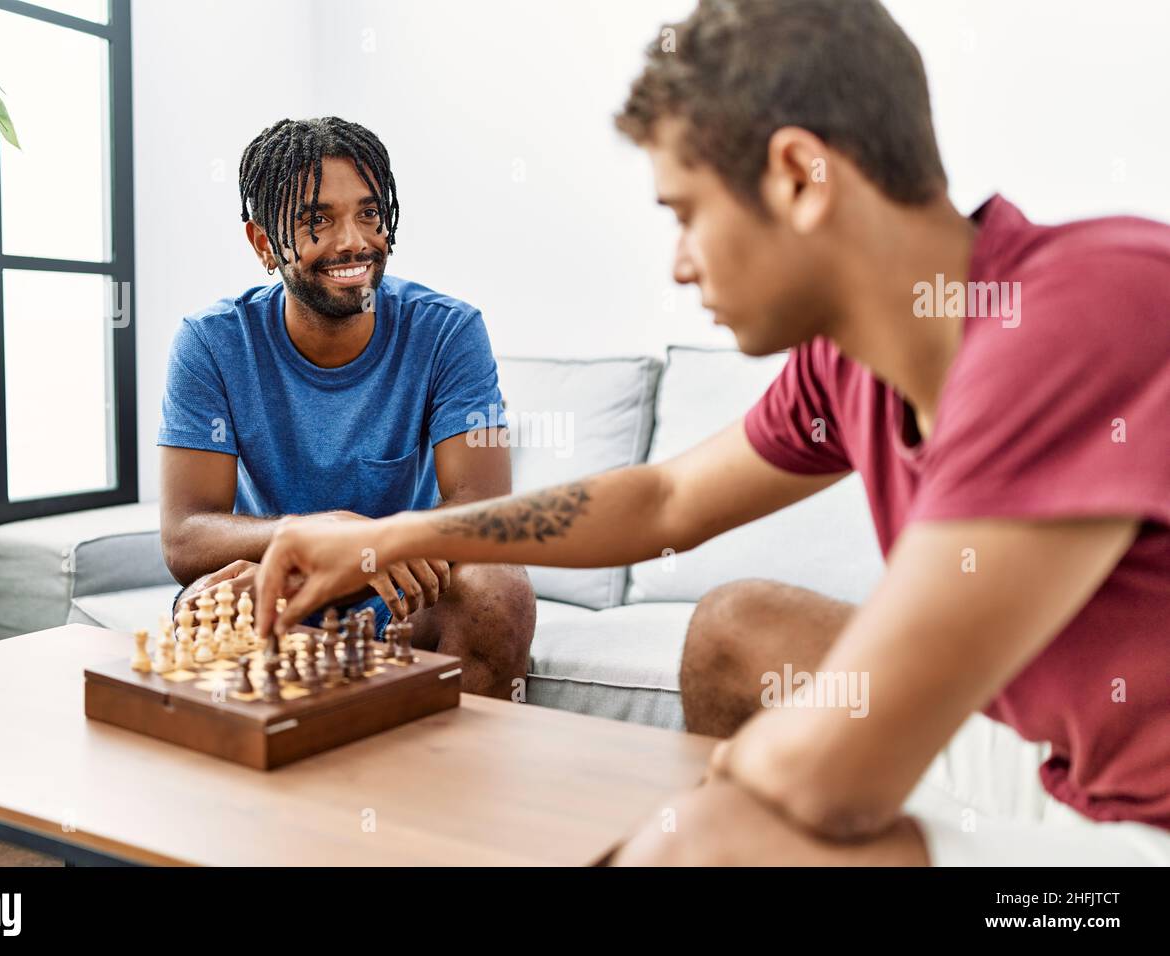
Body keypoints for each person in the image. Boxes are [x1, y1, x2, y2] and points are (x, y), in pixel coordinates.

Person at [252, 1, 1170, 865]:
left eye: (687, 214)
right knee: (739, 628)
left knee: (718, 840)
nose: (682, 263)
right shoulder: (848, 364)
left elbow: (830, 781)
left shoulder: (1075, 316)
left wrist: (711, 808)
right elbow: (664, 499)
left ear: (800, 176)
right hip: (1057, 760)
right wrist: (388, 539)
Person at [158, 116, 535, 699]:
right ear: (263, 244)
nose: (354, 241)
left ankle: (453, 783)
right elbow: (184, 538)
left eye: (368, 213)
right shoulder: (212, 342)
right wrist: (319, 533)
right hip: (277, 583)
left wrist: (371, 547)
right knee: (207, 602)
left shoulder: (449, 332)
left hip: (403, 596)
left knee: (498, 587)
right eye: (318, 221)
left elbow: (483, 514)